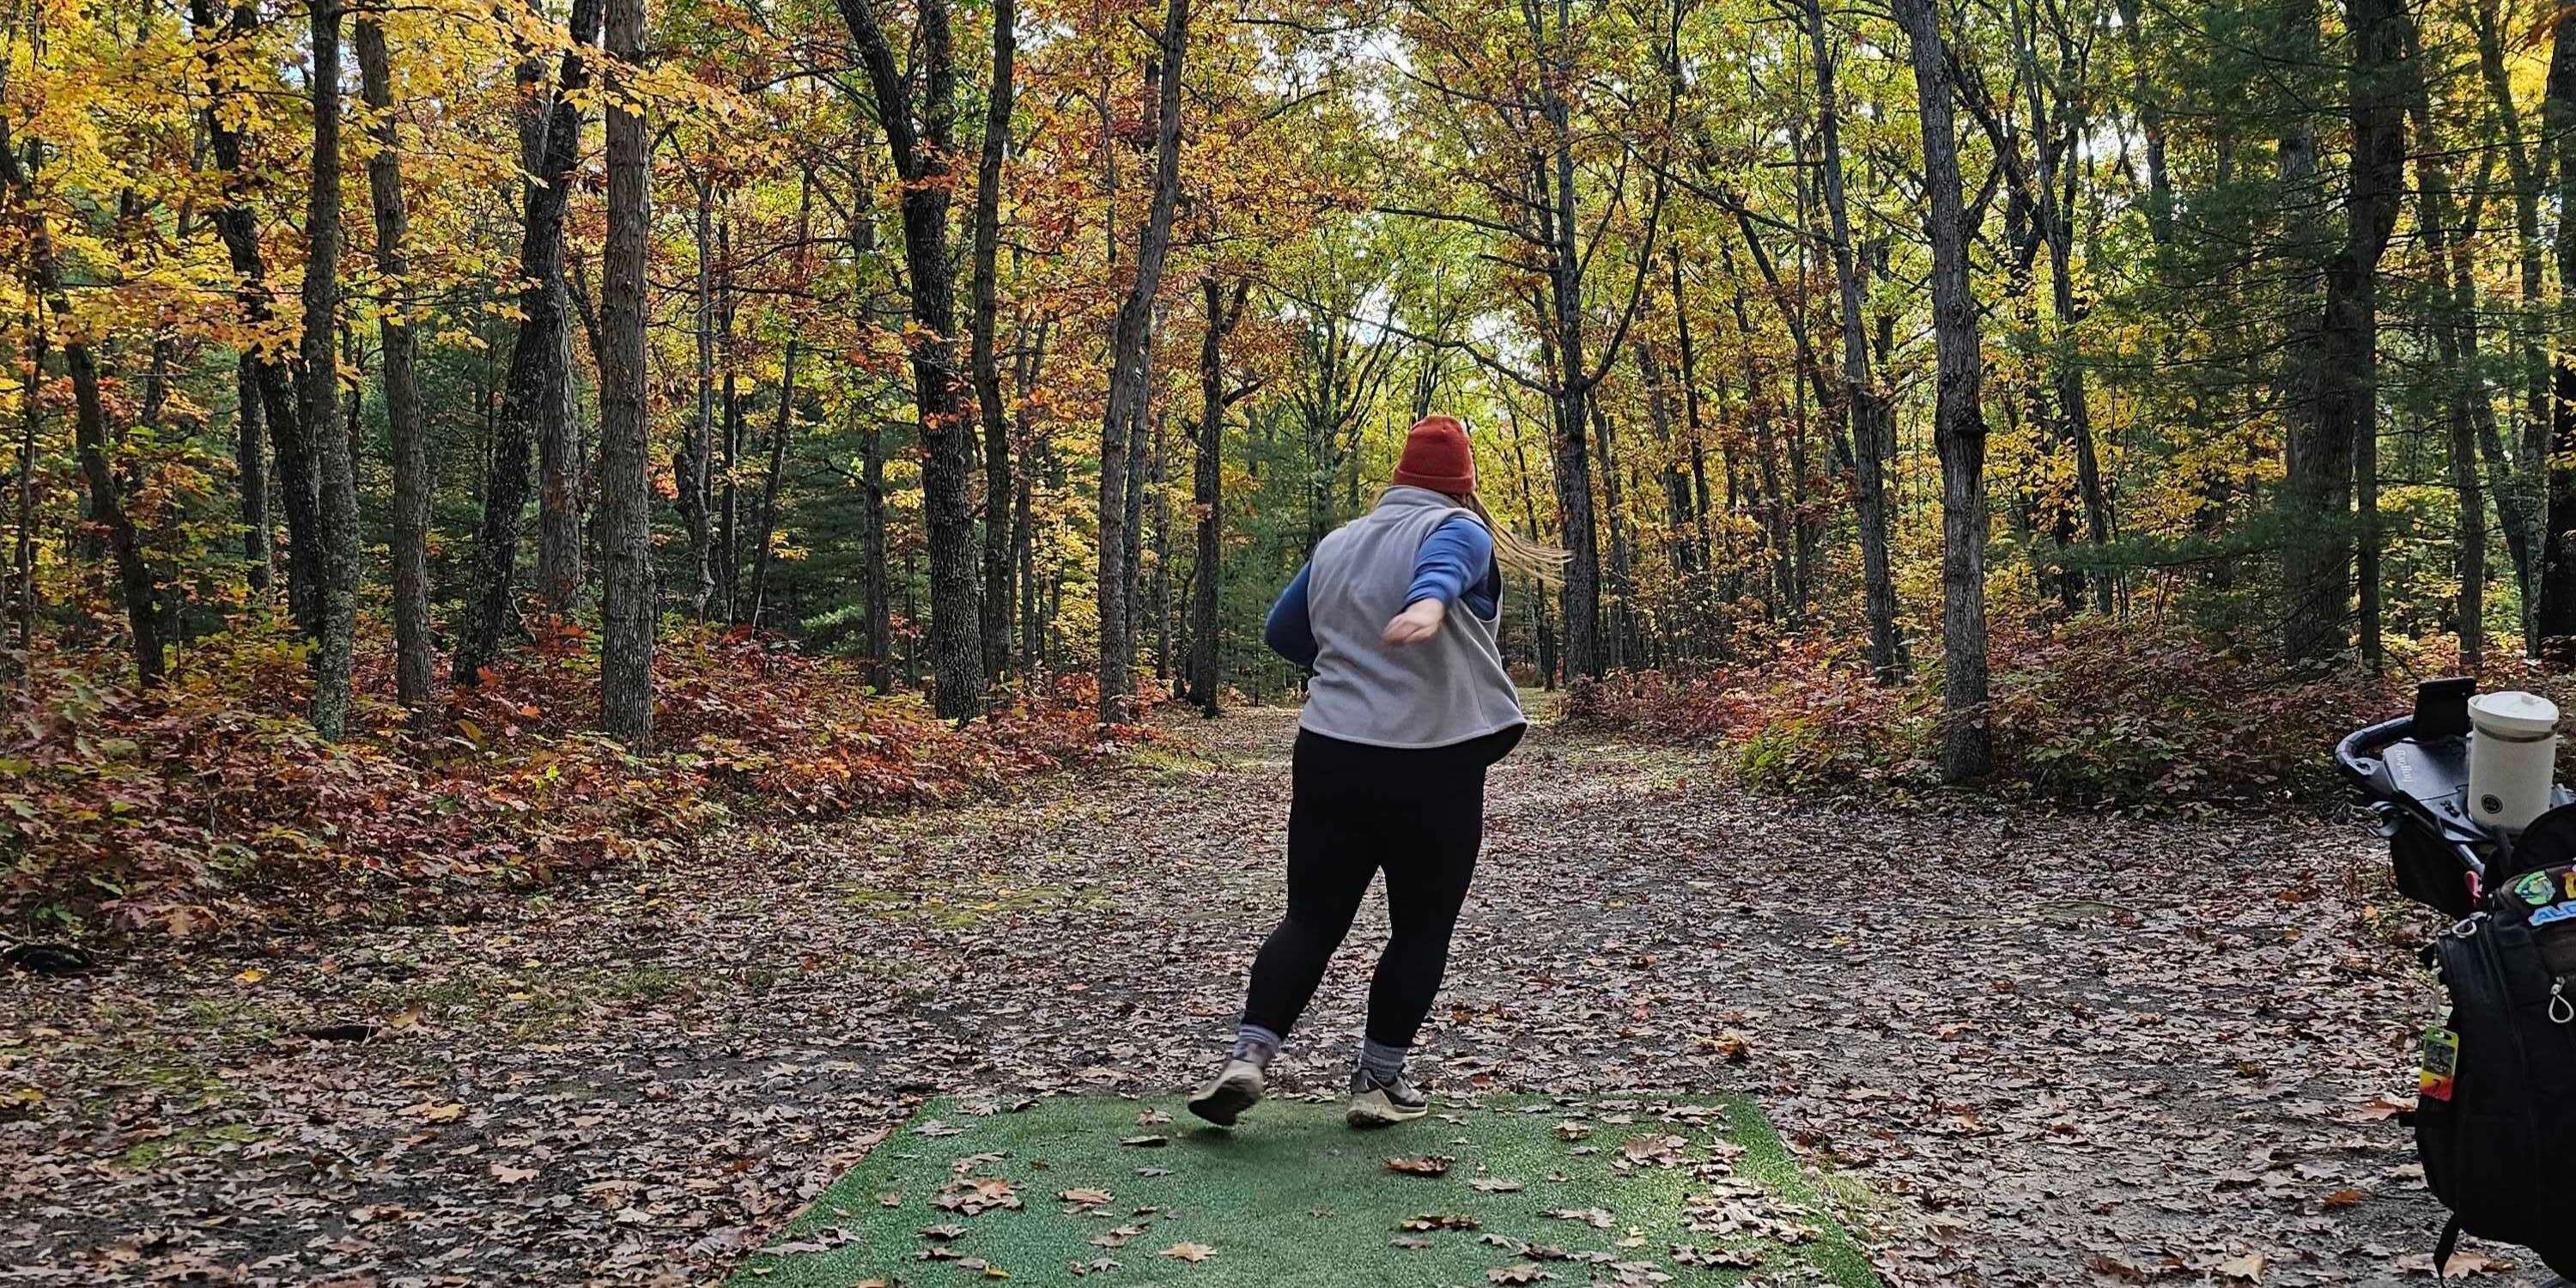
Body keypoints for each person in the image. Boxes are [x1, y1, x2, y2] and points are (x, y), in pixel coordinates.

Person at [1188, 413, 1567, 1130]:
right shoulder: (1460, 529)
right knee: (1420, 930)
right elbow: (1447, 562)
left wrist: (1343, 666)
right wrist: (1425, 605)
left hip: (1332, 753)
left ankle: (1248, 1056)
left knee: (1310, 918)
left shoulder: (1338, 543)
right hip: (1433, 763)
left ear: (1399, 476)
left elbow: (1282, 632)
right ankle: (1379, 1081)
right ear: (1464, 485)